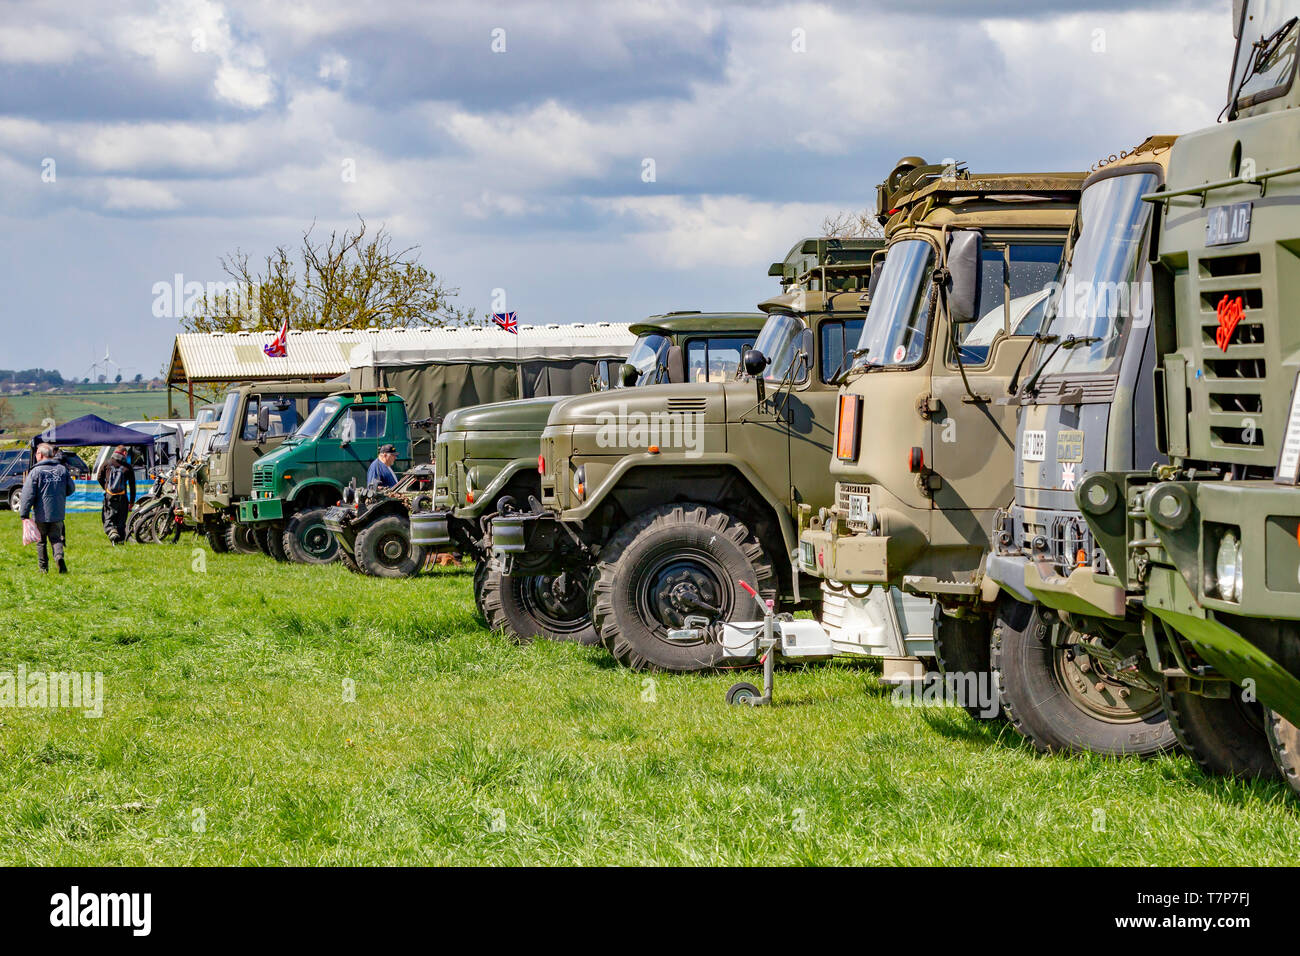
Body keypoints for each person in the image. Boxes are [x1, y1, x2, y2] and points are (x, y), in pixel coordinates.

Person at [19, 443, 76, 573]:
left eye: (37, 453)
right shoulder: (62, 469)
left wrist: (24, 514)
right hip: (58, 512)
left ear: (41, 454)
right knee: (56, 538)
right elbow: (71, 488)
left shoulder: (36, 472)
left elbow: (28, 494)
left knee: (41, 541)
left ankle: (43, 568)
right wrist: (60, 495)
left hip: (41, 513)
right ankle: (59, 557)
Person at [98, 445, 136, 543]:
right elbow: (132, 485)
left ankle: (111, 531)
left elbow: (99, 477)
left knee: (108, 516)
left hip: (109, 496)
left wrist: (106, 488)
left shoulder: (107, 463)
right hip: (122, 497)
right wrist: (132, 501)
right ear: (124, 453)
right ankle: (120, 541)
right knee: (121, 520)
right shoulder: (127, 467)